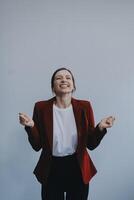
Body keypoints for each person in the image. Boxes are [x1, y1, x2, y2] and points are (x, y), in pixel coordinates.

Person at [19, 67, 115, 200]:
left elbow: (91, 144)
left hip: (78, 167)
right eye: (59, 78)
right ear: (53, 86)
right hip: (51, 167)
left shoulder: (85, 107)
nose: (64, 80)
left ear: (73, 85)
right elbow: (37, 146)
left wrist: (100, 128)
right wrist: (31, 127)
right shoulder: (41, 107)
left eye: (68, 77)